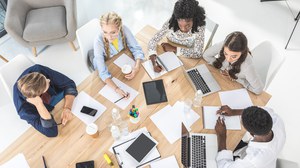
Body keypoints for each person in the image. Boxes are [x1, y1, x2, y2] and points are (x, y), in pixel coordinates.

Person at [13, 64, 78, 137]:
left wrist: (67, 108)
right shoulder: (24, 110)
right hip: (45, 108)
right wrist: (39, 105)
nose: (48, 80)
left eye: (45, 78)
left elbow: (69, 84)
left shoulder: (39, 70)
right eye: (46, 82)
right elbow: (51, 132)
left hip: (56, 97)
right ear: (38, 94)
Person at [93, 12, 145, 98]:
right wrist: (117, 89)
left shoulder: (124, 29)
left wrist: (136, 68)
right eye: (105, 32)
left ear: (119, 28)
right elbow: (102, 72)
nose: (109, 37)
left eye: (113, 32)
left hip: (118, 59)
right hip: (105, 62)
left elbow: (137, 49)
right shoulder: (98, 41)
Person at [215, 105, 286, 168]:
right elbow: (261, 110)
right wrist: (233, 112)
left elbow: (223, 165)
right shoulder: (276, 120)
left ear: (251, 134)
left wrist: (222, 135)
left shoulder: (253, 160)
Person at [148, 0, 206, 72]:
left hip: (186, 56)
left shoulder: (199, 26)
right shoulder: (171, 22)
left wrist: (175, 49)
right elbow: (153, 40)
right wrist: (154, 63)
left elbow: (198, 53)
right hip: (168, 51)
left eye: (188, 25)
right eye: (180, 25)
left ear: (194, 19)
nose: (183, 29)